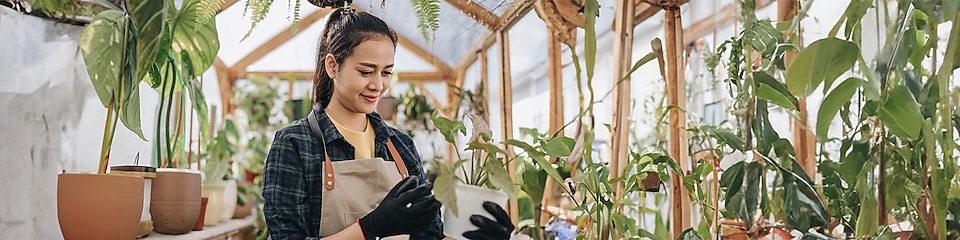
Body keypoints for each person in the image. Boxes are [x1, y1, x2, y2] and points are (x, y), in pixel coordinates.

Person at [262, 7, 514, 240]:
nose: (378, 85)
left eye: (386, 72)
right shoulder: (295, 144)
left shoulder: (400, 146)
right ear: (332, 66)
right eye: (366, 71)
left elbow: (430, 236)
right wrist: (369, 227)